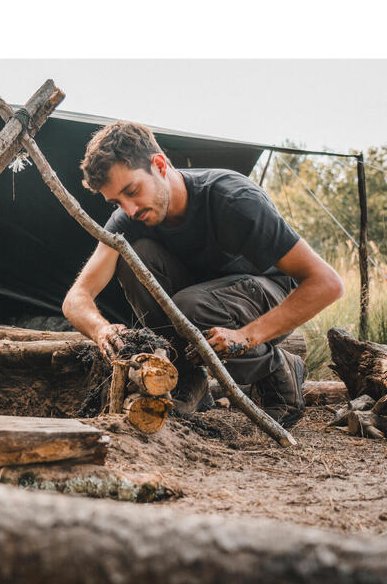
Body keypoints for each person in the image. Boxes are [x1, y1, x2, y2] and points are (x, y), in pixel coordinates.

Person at [62, 121, 344, 427]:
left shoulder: (233, 198)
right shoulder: (128, 220)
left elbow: (326, 283)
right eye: (117, 201)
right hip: (200, 303)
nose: (129, 209)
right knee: (133, 256)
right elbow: (76, 299)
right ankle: (188, 378)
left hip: (268, 296)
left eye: (132, 191)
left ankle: (278, 369)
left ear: (159, 165)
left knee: (190, 305)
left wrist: (247, 337)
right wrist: (103, 331)